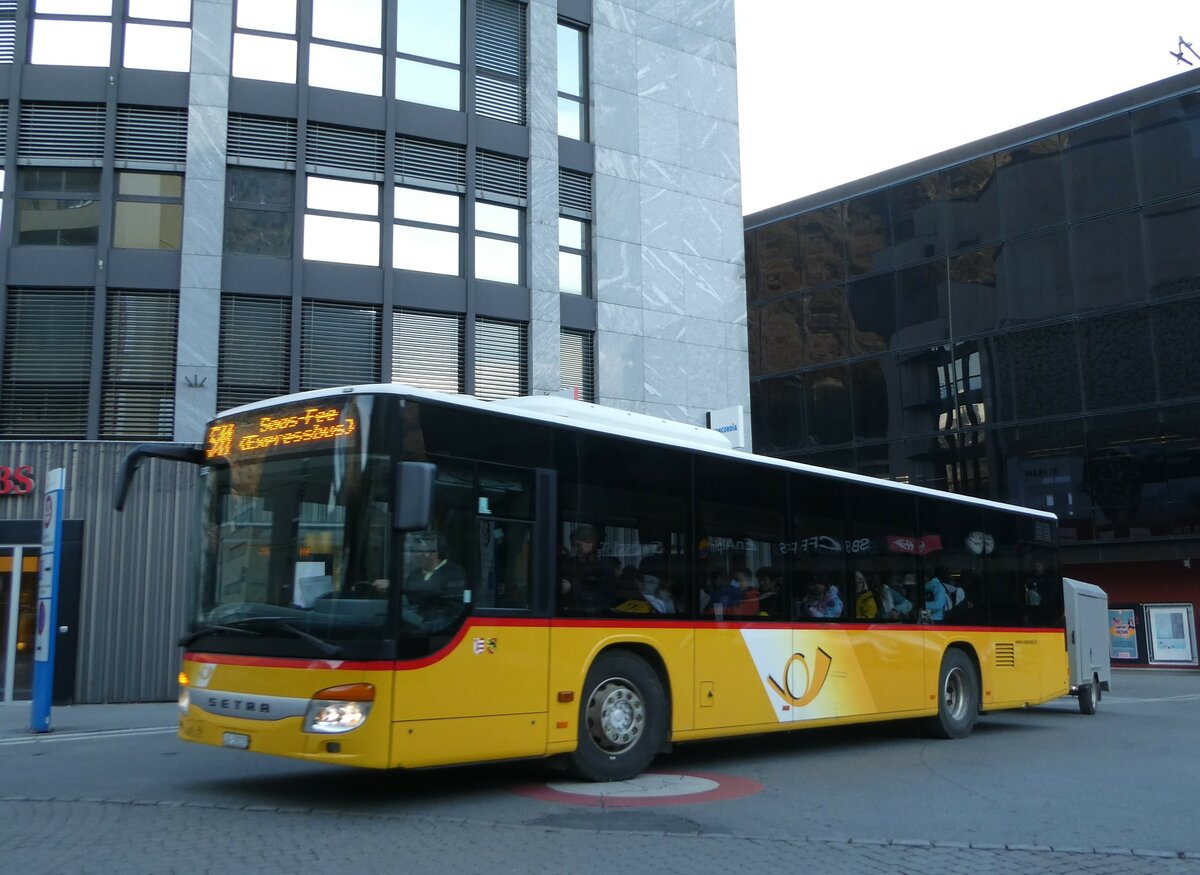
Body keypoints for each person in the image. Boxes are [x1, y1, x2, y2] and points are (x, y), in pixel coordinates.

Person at [558, 524, 613, 615]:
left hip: (594, 615)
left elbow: (602, 593)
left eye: (578, 545)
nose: (576, 549)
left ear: (590, 543)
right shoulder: (572, 562)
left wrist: (571, 588)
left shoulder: (603, 564)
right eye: (573, 546)